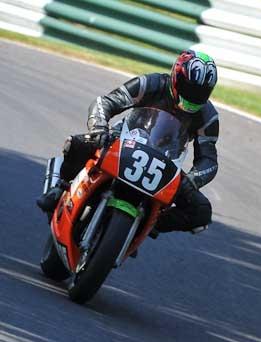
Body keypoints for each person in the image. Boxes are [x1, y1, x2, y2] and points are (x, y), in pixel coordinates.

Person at [37, 50, 220, 234]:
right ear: (176, 76)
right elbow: (106, 102)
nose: (193, 96)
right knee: (77, 144)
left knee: (201, 212)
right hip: (124, 141)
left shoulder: (208, 116)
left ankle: (148, 224)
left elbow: (208, 159)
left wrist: (191, 179)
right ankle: (60, 187)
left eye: (201, 92)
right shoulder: (151, 84)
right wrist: (99, 128)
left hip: (165, 165)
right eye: (189, 88)